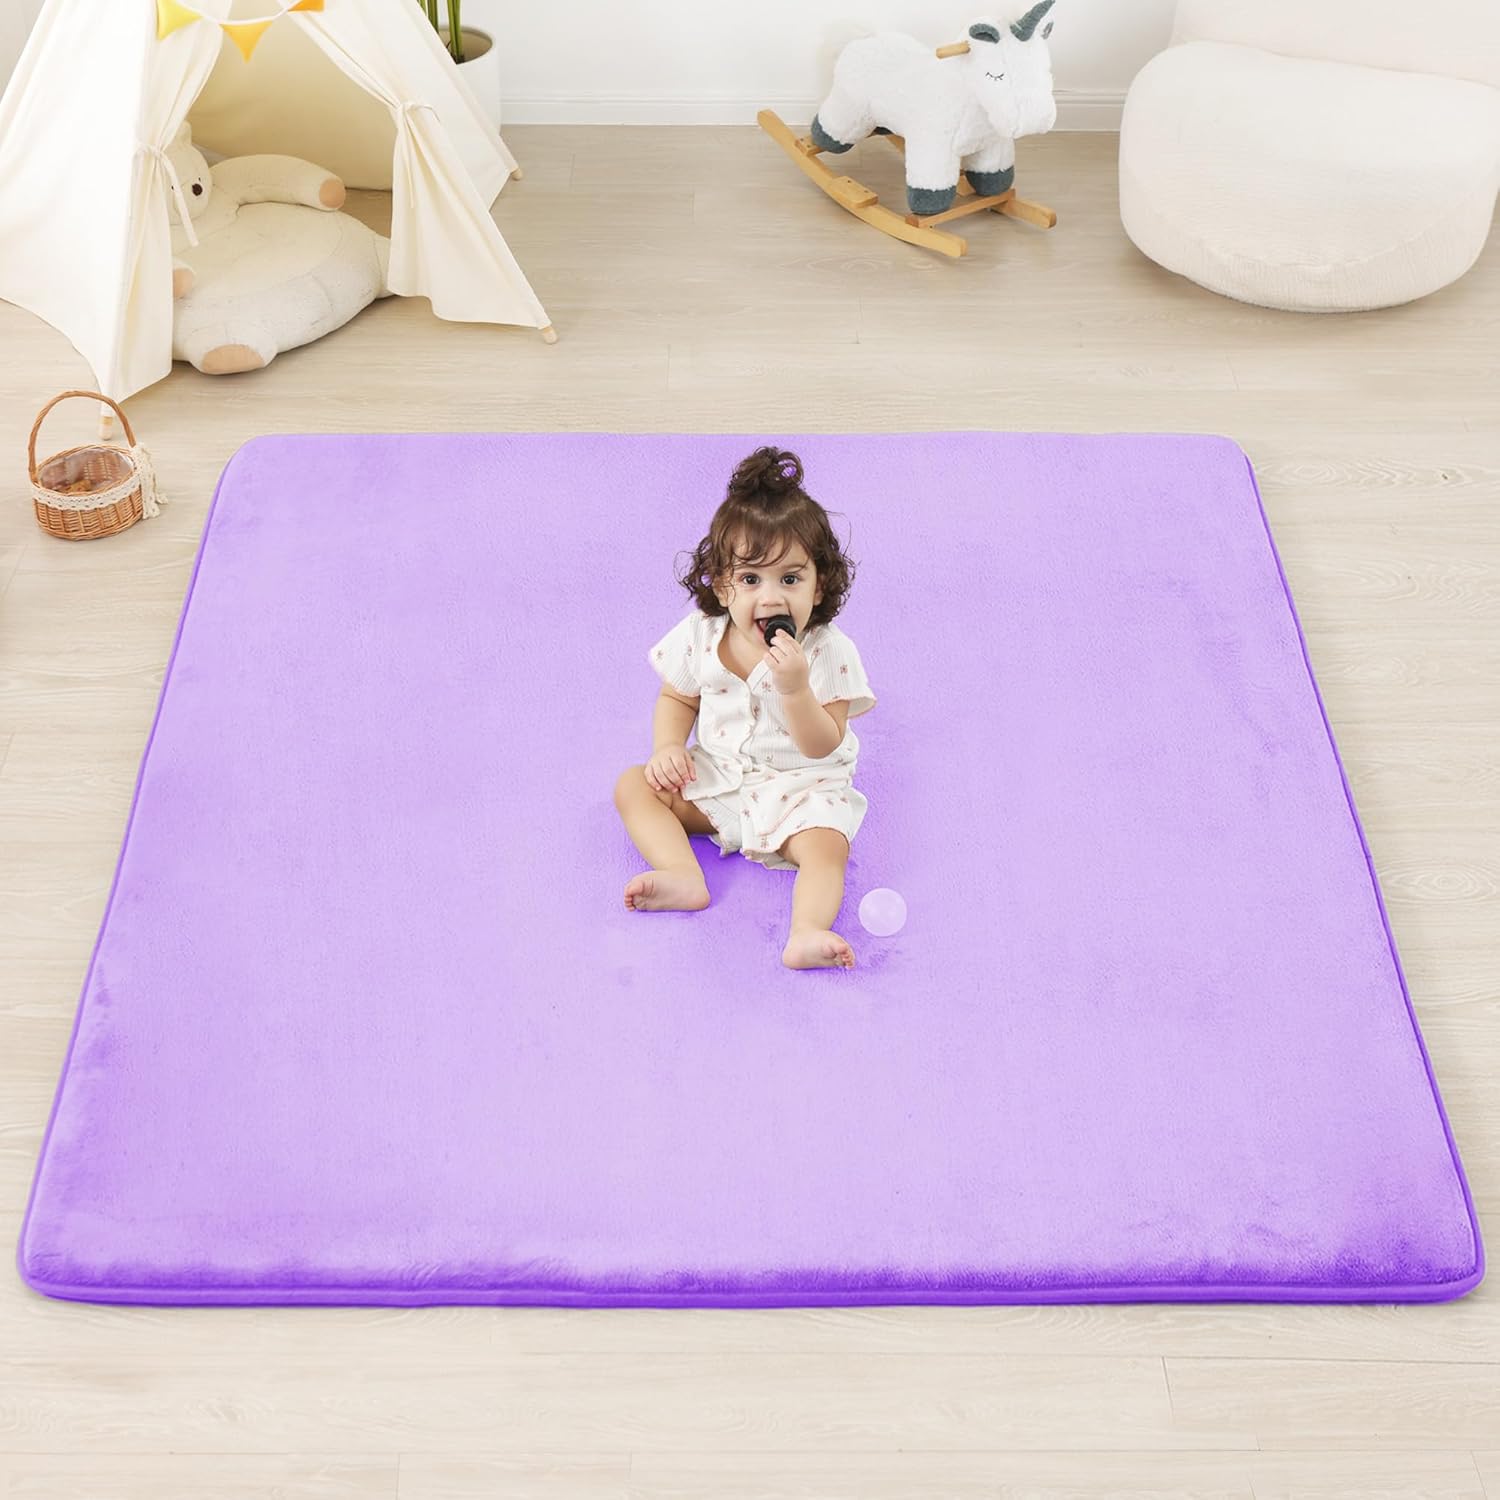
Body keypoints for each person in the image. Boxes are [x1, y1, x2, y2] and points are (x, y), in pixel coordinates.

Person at [614, 446, 875, 970]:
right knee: (634, 785)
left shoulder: (827, 651)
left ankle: (807, 930)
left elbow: (824, 743)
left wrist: (796, 690)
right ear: (721, 584)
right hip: (720, 778)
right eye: (751, 579)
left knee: (827, 847)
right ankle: (683, 875)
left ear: (819, 585)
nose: (771, 598)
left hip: (802, 790)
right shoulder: (701, 636)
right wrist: (668, 747)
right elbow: (677, 697)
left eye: (790, 579)